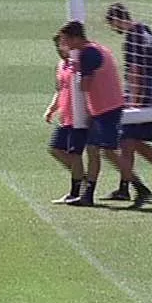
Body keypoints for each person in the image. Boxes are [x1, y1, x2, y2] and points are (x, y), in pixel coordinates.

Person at [58, 20, 152, 207]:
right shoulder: (94, 49)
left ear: (75, 38)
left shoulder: (89, 54)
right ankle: (88, 195)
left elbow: (85, 85)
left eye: (65, 40)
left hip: (108, 109)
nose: (63, 45)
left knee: (108, 152)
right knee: (93, 150)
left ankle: (140, 187)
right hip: (101, 108)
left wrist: (76, 73)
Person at [104, 3, 152, 200]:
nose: (114, 29)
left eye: (113, 24)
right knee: (135, 142)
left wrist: (135, 100)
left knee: (126, 141)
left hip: (141, 95)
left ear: (116, 19)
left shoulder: (132, 36)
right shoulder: (145, 30)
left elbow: (135, 69)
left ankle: (127, 188)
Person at [44, 34, 87, 203]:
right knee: (55, 149)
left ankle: (75, 192)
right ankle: (83, 178)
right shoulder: (61, 65)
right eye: (57, 46)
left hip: (79, 117)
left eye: (61, 45)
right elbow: (60, 90)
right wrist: (51, 108)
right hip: (66, 117)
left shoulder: (78, 65)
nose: (59, 49)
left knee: (75, 154)